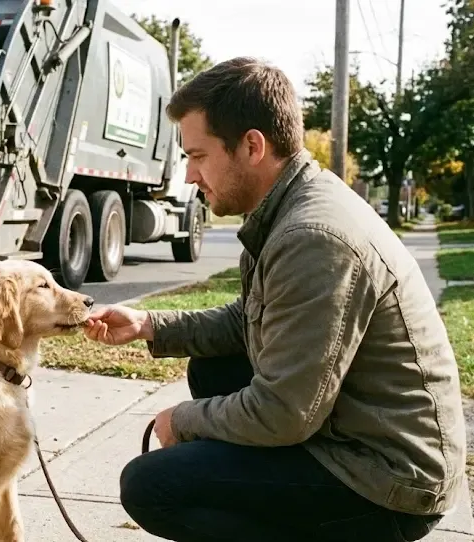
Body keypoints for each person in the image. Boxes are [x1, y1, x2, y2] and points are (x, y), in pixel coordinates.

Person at [84, 57, 466, 542]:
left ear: (252, 146)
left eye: (198, 156)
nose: (188, 176)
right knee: (211, 367)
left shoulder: (313, 236)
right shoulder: (290, 204)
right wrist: (149, 324)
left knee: (152, 485)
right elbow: (251, 322)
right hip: (359, 432)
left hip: (388, 480)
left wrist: (182, 420)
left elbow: (283, 412)